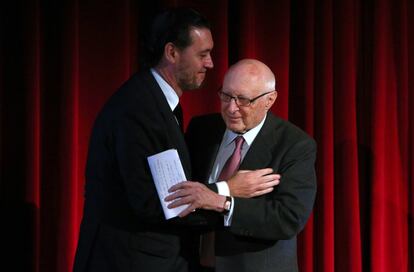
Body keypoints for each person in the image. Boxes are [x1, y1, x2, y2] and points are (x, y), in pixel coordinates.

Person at [73, 8, 278, 272]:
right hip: (130, 261)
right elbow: (155, 202)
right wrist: (227, 190)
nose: (211, 63)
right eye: (202, 54)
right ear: (171, 52)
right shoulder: (139, 110)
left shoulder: (157, 101)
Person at [166, 59, 317, 272]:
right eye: (226, 96)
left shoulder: (295, 145)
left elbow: (288, 218)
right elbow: (182, 193)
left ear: (270, 99)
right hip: (191, 264)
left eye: (243, 100)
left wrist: (223, 202)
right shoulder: (202, 129)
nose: (231, 108)